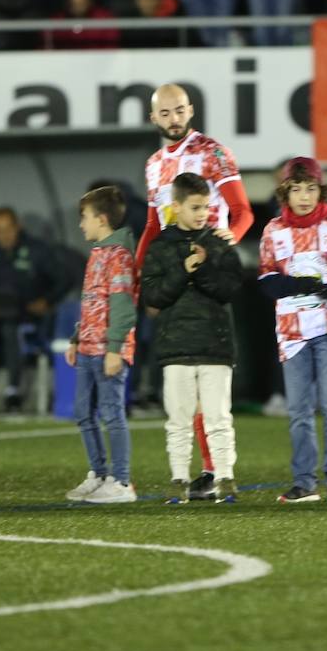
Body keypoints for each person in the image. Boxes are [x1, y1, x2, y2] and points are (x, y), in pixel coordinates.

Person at [137, 84, 253, 500]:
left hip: (208, 273)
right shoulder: (153, 165)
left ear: (191, 110)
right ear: (154, 118)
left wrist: (224, 244)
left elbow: (243, 212)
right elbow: (153, 226)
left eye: (180, 110)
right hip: (172, 274)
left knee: (209, 378)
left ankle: (212, 471)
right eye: (165, 113)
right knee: (184, 377)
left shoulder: (213, 153)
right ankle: (202, 474)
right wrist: (141, 272)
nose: (174, 119)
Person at [257, 157, 327, 504]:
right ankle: (304, 482)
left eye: (311, 188)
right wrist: (293, 285)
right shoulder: (274, 231)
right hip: (292, 332)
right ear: (284, 193)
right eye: (296, 189)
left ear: (322, 191)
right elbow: (266, 280)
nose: (304, 196)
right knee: (299, 411)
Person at [141, 173, 244, 505]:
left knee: (218, 417)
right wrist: (183, 269)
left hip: (215, 345)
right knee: (179, 420)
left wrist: (200, 268)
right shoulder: (159, 246)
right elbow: (153, 295)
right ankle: (178, 480)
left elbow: (231, 289)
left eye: (206, 206)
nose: (203, 213)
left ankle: (226, 478)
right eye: (195, 207)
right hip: (176, 348)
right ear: (176, 207)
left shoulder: (219, 242)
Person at [64, 186, 138, 505]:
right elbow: (92, 304)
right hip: (87, 348)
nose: (81, 224)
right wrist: (76, 338)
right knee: (83, 412)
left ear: (103, 220)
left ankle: (121, 482)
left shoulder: (119, 257)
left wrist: (115, 347)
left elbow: (122, 307)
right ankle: (98, 474)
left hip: (108, 349)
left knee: (112, 414)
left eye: (85, 217)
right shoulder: (97, 254)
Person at [0, 207, 69, 411]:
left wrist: (46, 301)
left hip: (26, 317)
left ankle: (13, 392)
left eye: (8, 229)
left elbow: (65, 279)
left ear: (18, 227)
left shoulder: (37, 250)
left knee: (11, 329)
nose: (4, 235)